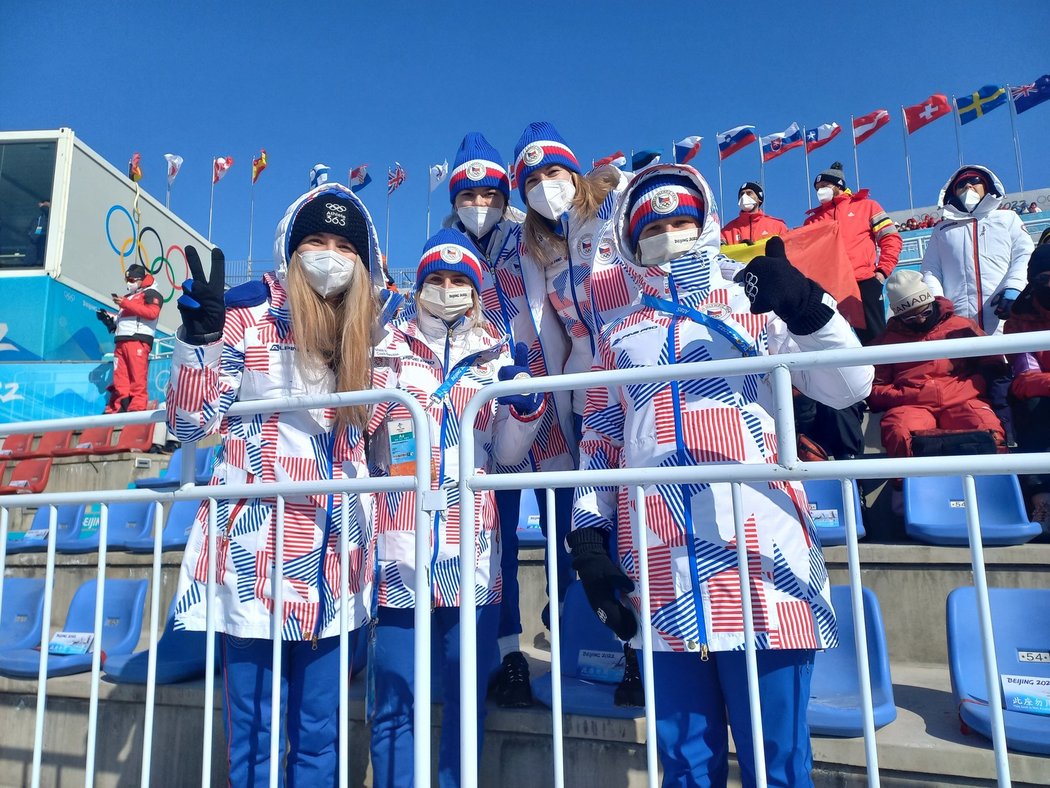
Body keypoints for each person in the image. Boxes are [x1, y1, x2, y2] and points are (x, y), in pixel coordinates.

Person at [568, 163, 873, 786]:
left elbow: (849, 385)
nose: (671, 234)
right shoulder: (621, 334)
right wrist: (590, 539)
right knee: (684, 764)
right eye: (655, 225)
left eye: (684, 221)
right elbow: (601, 445)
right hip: (663, 572)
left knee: (778, 764)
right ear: (631, 238)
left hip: (764, 565)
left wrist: (804, 305)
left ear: (706, 224)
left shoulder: (753, 305)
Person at [167, 183, 382, 786]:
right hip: (254, 558)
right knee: (255, 731)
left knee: (319, 735)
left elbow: (387, 437)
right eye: (316, 239)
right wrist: (198, 343)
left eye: (345, 245)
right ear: (291, 248)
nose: (330, 254)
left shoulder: (370, 337)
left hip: (335, 559)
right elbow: (191, 424)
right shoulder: (246, 319)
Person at [368, 228, 545, 788]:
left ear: (475, 289)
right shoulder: (386, 349)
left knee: (466, 695)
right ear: (419, 287)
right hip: (401, 549)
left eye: (459, 281)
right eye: (436, 281)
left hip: (472, 551)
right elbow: (366, 441)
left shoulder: (496, 355)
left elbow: (510, 455)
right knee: (396, 696)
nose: (447, 291)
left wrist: (524, 408)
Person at [444, 131, 575, 707]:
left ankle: (579, 642)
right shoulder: (444, 251)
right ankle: (508, 654)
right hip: (490, 407)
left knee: (570, 534)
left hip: (554, 399)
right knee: (495, 539)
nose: (480, 201)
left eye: (490, 191)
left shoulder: (534, 233)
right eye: (468, 192)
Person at [920, 165, 1035, 443]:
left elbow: (1024, 254)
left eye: (975, 183)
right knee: (972, 395)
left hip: (1002, 321)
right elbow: (930, 270)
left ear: (989, 186)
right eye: (962, 185)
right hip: (959, 330)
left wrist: (1014, 288)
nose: (968, 189)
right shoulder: (942, 229)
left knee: (1008, 390)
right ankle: (993, 449)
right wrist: (940, 304)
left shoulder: (1006, 219)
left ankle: (1019, 450)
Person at [869, 269, 1005, 459]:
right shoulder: (886, 342)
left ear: (931, 302)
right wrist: (907, 394)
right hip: (911, 404)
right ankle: (905, 485)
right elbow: (875, 389)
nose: (920, 319)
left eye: (925, 311)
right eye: (910, 317)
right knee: (898, 429)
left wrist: (975, 384)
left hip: (964, 398)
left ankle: (998, 482)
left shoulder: (961, 326)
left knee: (986, 427)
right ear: (898, 316)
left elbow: (993, 364)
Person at [803, 161, 901, 344]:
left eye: (824, 186)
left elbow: (890, 238)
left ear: (839, 185)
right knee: (833, 342)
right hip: (828, 288)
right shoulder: (812, 221)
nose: (820, 191)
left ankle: (883, 373)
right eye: (817, 188)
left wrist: (882, 272)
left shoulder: (867, 206)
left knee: (875, 340)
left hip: (863, 282)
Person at [1004, 244, 1050, 532]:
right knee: (1032, 405)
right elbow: (1024, 377)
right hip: (1041, 398)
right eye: (1045, 279)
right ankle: (1043, 501)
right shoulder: (1019, 321)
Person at [96, 263, 162, 413]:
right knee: (120, 377)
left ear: (141, 279)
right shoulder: (128, 297)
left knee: (137, 377)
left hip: (137, 339)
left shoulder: (152, 293)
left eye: (132, 280)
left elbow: (152, 313)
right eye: (127, 279)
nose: (128, 283)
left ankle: (137, 408)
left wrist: (126, 304)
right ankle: (119, 406)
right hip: (121, 340)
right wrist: (108, 318)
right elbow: (123, 320)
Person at [719, 181, 788, 245]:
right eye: (742, 194)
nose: (744, 197)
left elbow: (788, 251)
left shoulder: (777, 226)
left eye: (749, 193)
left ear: (759, 199)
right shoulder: (726, 231)